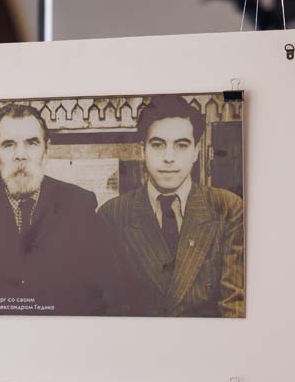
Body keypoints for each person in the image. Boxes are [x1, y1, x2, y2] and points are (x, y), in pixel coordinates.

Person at [0, 103, 123, 316]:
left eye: (32, 143)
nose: (21, 155)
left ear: (46, 151)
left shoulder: (79, 204)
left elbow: (103, 294)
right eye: (8, 145)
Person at [97, 94, 246, 318]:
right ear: (142, 150)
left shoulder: (228, 208)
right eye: (158, 145)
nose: (169, 158)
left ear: (196, 151)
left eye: (181, 145)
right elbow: (109, 308)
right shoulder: (112, 215)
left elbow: (234, 306)